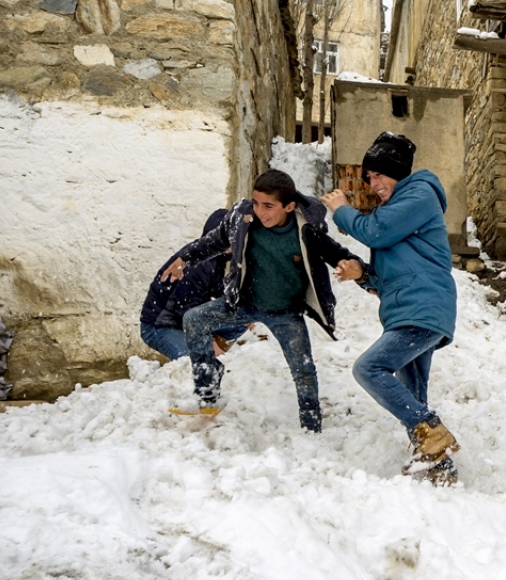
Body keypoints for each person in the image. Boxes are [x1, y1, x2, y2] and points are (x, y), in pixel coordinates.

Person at [161, 169, 365, 432]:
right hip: (243, 303)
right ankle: (207, 396)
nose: (260, 212)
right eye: (256, 203)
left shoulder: (306, 230)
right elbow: (214, 241)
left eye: (268, 206)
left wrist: (352, 267)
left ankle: (311, 426)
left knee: (303, 369)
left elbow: (336, 253)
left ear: (289, 206)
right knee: (194, 319)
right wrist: (184, 259)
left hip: (286, 312)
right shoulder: (243, 219)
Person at [318, 132, 460, 485]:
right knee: (412, 395)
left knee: (369, 368)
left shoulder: (419, 195)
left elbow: (375, 232)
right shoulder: (399, 209)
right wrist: (362, 273)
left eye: (379, 175)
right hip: (408, 310)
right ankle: (437, 466)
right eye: (369, 177)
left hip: (422, 308)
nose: (373, 183)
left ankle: (432, 433)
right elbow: (384, 277)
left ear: (396, 172)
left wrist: (341, 209)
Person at [140, 209, 245, 360]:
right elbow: (186, 310)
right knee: (194, 362)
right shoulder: (198, 262)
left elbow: (218, 291)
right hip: (161, 326)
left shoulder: (217, 259)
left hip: (185, 319)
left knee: (242, 320)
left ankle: (217, 355)